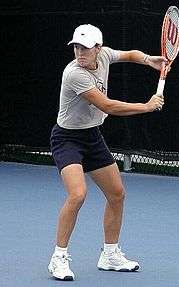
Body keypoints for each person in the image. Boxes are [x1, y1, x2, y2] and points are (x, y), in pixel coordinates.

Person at [48, 24, 166, 281]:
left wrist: (149, 60)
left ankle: (110, 255)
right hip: (67, 139)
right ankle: (58, 257)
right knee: (78, 194)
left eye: (86, 48)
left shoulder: (105, 55)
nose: (80, 52)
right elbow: (108, 105)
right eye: (76, 47)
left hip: (92, 136)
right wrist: (146, 107)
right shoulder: (74, 74)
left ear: (98, 48)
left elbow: (130, 54)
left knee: (117, 194)